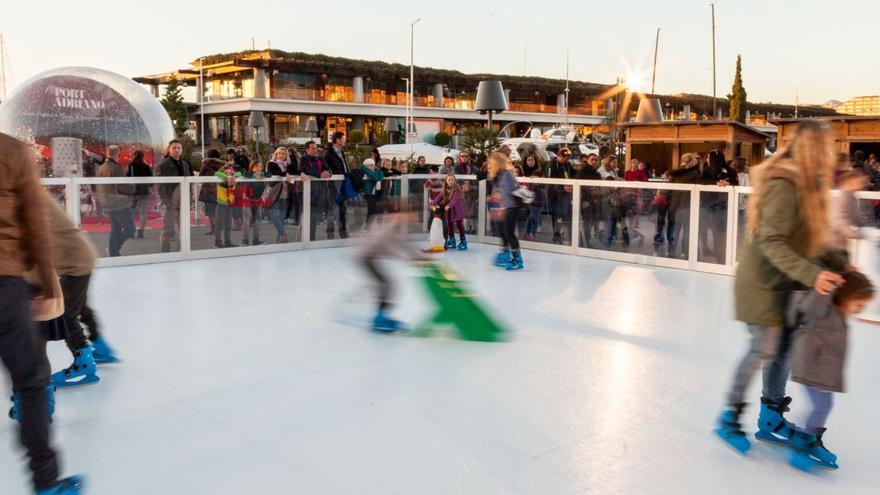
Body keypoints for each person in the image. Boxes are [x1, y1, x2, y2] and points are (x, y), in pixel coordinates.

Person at [715, 120, 847, 455]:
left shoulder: (807, 184)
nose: (829, 153)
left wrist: (841, 263)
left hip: (787, 282)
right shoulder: (785, 183)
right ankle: (729, 416)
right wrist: (812, 274)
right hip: (762, 282)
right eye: (824, 146)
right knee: (764, 348)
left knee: (785, 349)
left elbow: (810, 241)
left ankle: (770, 416)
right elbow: (772, 241)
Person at [0, 132, 85, 494]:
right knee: (32, 380)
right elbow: (35, 222)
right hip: (5, 281)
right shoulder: (11, 150)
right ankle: (47, 482)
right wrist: (45, 282)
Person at [787, 271, 874, 470]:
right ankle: (802, 446)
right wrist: (826, 288)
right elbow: (810, 306)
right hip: (811, 369)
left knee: (824, 406)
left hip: (824, 373)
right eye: (858, 302)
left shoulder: (840, 315)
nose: (861, 308)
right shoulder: (824, 308)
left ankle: (810, 439)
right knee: (820, 407)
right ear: (845, 296)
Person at [358, 208, 425, 332]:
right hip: (365, 257)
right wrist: (405, 257)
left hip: (370, 256)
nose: (415, 219)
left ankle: (381, 316)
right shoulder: (392, 223)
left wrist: (418, 257)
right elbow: (385, 241)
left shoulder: (397, 224)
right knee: (385, 284)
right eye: (413, 215)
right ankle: (379, 318)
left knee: (386, 284)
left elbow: (403, 243)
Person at [96, 145, 135, 257]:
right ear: (118, 154)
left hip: (107, 203)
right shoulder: (116, 168)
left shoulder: (100, 168)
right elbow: (123, 187)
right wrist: (133, 188)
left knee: (115, 229)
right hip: (119, 203)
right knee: (130, 229)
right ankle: (114, 248)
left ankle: (114, 253)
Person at [489, 152, 525, 270]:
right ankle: (505, 254)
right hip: (505, 206)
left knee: (509, 233)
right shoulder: (498, 175)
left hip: (512, 207)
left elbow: (512, 189)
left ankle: (517, 258)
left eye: (492, 162)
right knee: (502, 232)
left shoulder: (507, 174)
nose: (490, 164)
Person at [155, 139, 193, 252]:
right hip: (171, 202)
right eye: (174, 148)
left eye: (179, 148)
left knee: (183, 229)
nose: (177, 150)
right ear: (169, 149)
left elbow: (189, 182)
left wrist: (190, 199)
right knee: (168, 229)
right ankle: (165, 252)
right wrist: (166, 202)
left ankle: (182, 251)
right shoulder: (164, 165)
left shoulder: (185, 164)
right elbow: (160, 186)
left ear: (181, 150)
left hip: (184, 201)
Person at [828, 170, 869, 262]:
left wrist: (866, 227)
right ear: (850, 183)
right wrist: (855, 234)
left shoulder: (851, 196)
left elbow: (855, 217)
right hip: (836, 245)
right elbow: (838, 219)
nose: (862, 184)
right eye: (858, 181)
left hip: (842, 244)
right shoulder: (845, 196)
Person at [300, 140, 334, 241]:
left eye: (316, 148)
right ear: (307, 150)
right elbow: (304, 169)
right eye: (313, 148)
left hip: (322, 191)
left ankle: (330, 238)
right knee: (312, 218)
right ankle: (311, 240)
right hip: (309, 192)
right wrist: (319, 174)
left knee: (329, 213)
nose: (316, 150)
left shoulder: (320, 158)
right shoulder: (304, 159)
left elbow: (329, 169)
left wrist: (328, 173)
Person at [323, 131, 353, 238]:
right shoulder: (328, 153)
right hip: (333, 184)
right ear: (337, 140)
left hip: (342, 182)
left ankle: (343, 233)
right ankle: (330, 234)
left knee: (342, 209)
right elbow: (325, 167)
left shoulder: (341, 152)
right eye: (343, 138)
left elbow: (344, 166)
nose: (345, 140)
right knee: (332, 209)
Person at [545, 147, 574, 244]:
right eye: (565, 158)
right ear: (559, 156)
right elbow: (549, 182)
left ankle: (564, 235)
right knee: (557, 216)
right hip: (555, 195)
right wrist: (562, 188)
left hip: (565, 195)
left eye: (568, 159)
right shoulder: (551, 165)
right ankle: (556, 236)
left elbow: (573, 175)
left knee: (565, 216)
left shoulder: (567, 165)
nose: (566, 160)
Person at [432, 174, 467, 250]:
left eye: (452, 180)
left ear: (454, 180)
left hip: (456, 210)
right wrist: (433, 203)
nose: (451, 181)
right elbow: (439, 197)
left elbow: (454, 200)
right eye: (449, 180)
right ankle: (452, 240)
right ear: (446, 181)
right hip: (449, 211)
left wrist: (448, 205)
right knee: (449, 224)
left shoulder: (456, 189)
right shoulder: (445, 189)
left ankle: (463, 241)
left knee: (459, 225)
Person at [239, 160, 269, 246]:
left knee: (256, 221)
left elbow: (269, 174)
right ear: (252, 168)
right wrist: (254, 175)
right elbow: (243, 173)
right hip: (247, 199)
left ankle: (256, 240)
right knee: (247, 221)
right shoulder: (248, 174)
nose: (258, 168)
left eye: (260, 166)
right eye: (256, 166)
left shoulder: (263, 175)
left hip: (257, 200)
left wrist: (261, 175)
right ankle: (245, 241)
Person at [198, 149, 225, 236]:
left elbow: (201, 176)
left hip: (208, 189)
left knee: (210, 210)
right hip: (220, 188)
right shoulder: (223, 164)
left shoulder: (206, 164)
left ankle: (213, 229)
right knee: (219, 209)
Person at [213, 164, 240, 248]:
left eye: (229, 173)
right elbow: (216, 173)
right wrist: (226, 177)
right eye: (226, 173)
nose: (228, 175)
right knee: (219, 224)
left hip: (229, 205)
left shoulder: (233, 180)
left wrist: (233, 175)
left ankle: (227, 241)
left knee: (228, 224)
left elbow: (240, 173)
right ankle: (218, 242)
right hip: (221, 205)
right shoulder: (220, 180)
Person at [128, 150, 153, 238]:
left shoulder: (131, 165)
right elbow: (151, 180)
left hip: (133, 192)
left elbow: (127, 178)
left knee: (130, 212)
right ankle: (141, 231)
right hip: (144, 192)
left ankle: (131, 231)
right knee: (143, 213)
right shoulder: (146, 166)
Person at [360, 158, 384, 228]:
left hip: (372, 193)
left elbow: (381, 175)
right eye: (369, 165)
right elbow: (376, 177)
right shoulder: (363, 169)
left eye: (373, 165)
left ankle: (368, 226)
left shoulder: (373, 171)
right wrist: (377, 172)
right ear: (365, 166)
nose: (372, 167)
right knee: (370, 210)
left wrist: (377, 171)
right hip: (365, 193)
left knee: (373, 210)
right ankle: (366, 226)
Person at [525, 167, 546, 241]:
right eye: (542, 177)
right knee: (534, 219)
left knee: (532, 218)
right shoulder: (533, 184)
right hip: (533, 204)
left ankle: (528, 233)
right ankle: (532, 234)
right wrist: (534, 180)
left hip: (538, 204)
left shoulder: (541, 184)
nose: (543, 178)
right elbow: (531, 190)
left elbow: (543, 187)